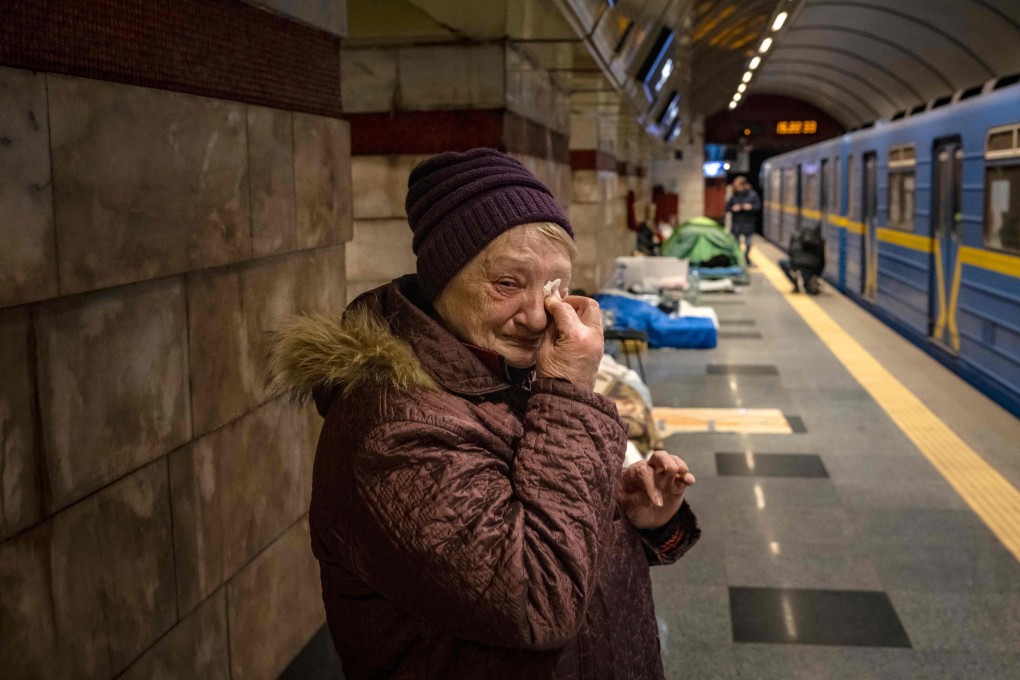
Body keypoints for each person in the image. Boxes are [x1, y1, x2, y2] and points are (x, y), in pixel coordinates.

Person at [268, 148, 700, 680]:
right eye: (507, 284)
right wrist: (566, 392)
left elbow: (556, 528)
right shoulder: (390, 428)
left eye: (553, 288)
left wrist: (631, 518)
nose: (539, 314)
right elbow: (539, 600)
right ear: (441, 280)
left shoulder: (503, 376)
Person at [779, 222, 826, 294]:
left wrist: (793, 264)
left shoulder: (797, 236)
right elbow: (822, 261)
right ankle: (808, 283)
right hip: (812, 266)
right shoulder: (820, 240)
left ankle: (795, 283)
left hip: (796, 264)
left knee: (782, 262)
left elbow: (790, 252)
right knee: (808, 284)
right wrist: (817, 275)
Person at [726, 175, 761, 261]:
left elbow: (758, 206)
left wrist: (751, 207)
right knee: (736, 243)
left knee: (748, 243)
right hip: (737, 223)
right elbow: (727, 207)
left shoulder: (752, 195)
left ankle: (746, 256)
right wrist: (733, 208)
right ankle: (738, 259)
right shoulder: (734, 196)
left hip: (748, 222)